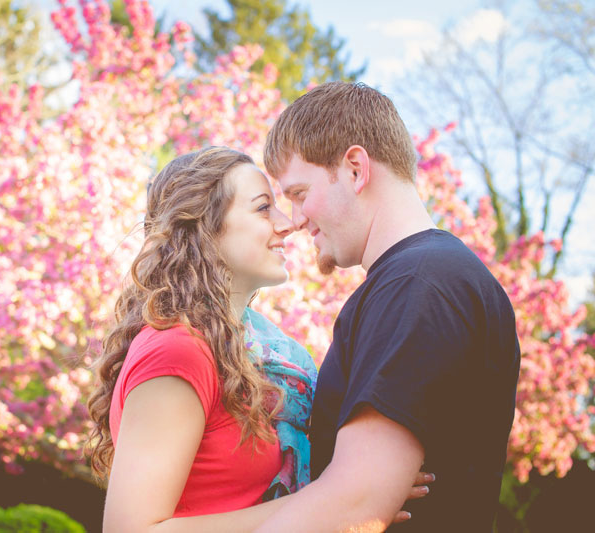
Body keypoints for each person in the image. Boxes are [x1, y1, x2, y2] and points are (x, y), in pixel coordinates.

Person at [85, 146, 431, 531]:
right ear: (204, 226)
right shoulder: (176, 350)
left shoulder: (256, 355)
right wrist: (332, 502)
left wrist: (364, 487)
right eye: (263, 208)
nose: (288, 223)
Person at [256, 82, 522, 532]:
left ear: (356, 169)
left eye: (300, 193)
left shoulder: (419, 283)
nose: (295, 219)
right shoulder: (424, 277)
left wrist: (349, 496)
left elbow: (357, 506)